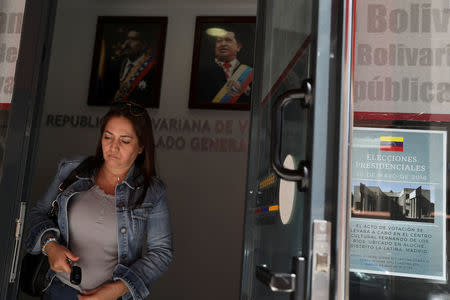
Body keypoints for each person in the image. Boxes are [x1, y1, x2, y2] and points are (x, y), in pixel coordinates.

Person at [24, 101, 173, 300]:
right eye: (108, 137)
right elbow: (37, 213)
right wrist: (50, 245)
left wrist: (120, 288)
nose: (113, 147)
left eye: (125, 141)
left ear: (141, 147)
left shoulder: (152, 191)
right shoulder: (72, 170)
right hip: (60, 290)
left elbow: (161, 252)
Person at [196, 29, 253, 104]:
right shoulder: (202, 71)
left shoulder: (249, 72)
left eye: (228, 40)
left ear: (238, 47)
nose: (223, 44)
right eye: (219, 41)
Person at [103, 28, 157, 106]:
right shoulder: (116, 64)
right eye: (127, 39)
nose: (127, 43)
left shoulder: (151, 68)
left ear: (143, 45)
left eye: (133, 39)